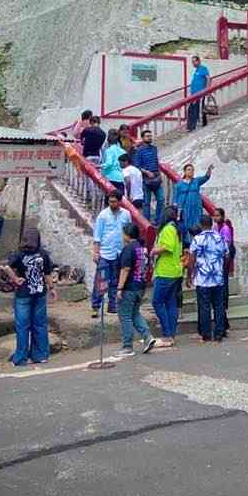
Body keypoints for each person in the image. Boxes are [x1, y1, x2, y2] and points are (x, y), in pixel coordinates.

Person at [4, 228, 55, 366]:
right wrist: (52, 288)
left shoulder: (19, 254)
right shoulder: (43, 254)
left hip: (23, 295)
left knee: (22, 326)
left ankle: (21, 358)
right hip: (39, 294)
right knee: (39, 325)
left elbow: (6, 267)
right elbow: (48, 273)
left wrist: (15, 279)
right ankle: (41, 355)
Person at [90, 190, 132, 318]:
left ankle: (112, 306)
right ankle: (96, 306)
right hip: (105, 253)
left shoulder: (126, 214)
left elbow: (129, 232)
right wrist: (96, 252)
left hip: (119, 252)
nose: (112, 203)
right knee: (101, 280)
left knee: (115, 280)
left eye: (114, 201)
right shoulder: (103, 215)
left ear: (119, 201)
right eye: (110, 201)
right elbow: (97, 235)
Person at [117, 223, 156, 356]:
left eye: (123, 233)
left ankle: (127, 346)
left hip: (130, 287)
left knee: (125, 316)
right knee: (135, 313)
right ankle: (147, 337)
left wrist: (120, 288)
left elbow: (125, 269)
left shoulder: (129, 249)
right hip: (140, 286)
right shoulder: (141, 248)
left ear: (127, 235)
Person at [189, 213, 228, 342]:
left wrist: (190, 275)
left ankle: (206, 334)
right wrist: (221, 267)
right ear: (211, 224)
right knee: (219, 306)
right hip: (217, 277)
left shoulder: (197, 239)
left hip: (202, 278)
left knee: (204, 307)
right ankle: (219, 332)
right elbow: (226, 255)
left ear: (201, 225)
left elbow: (192, 259)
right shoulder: (220, 238)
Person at [151, 205, 183, 348]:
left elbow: (168, 247)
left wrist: (154, 251)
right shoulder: (176, 229)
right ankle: (171, 334)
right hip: (175, 271)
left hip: (166, 271)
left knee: (157, 302)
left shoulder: (168, 229)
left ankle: (167, 333)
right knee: (171, 303)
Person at [173, 162, 214, 241]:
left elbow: (206, 177)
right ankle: (187, 242)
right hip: (184, 208)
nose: (191, 172)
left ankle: (197, 241)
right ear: (184, 172)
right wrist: (177, 209)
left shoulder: (196, 181)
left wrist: (209, 170)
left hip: (196, 207)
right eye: (189, 170)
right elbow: (175, 198)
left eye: (192, 170)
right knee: (185, 223)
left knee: (197, 223)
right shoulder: (179, 185)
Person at [134, 129, 164, 225]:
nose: (149, 138)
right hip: (145, 178)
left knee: (161, 199)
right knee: (146, 202)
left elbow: (156, 162)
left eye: (150, 136)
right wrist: (146, 172)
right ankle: (147, 222)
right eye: (147, 136)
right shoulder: (139, 151)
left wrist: (159, 174)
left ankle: (158, 220)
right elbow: (137, 165)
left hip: (156, 176)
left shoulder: (154, 148)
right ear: (142, 138)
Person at [213, 207, 235, 327]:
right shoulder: (216, 227)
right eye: (214, 216)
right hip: (217, 258)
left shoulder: (225, 229)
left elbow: (227, 244)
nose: (215, 218)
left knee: (224, 281)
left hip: (224, 258)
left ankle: (224, 304)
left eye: (217, 216)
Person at [187, 55, 210, 131]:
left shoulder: (203, 68)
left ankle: (193, 126)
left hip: (200, 94)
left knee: (196, 110)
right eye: (192, 62)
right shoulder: (196, 70)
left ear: (198, 61)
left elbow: (208, 78)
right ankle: (192, 126)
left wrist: (206, 89)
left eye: (194, 61)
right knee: (192, 110)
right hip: (194, 95)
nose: (193, 63)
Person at [100, 129, 125, 199]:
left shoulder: (109, 150)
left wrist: (99, 166)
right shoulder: (122, 151)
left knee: (110, 199)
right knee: (119, 199)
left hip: (110, 177)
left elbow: (109, 163)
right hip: (121, 177)